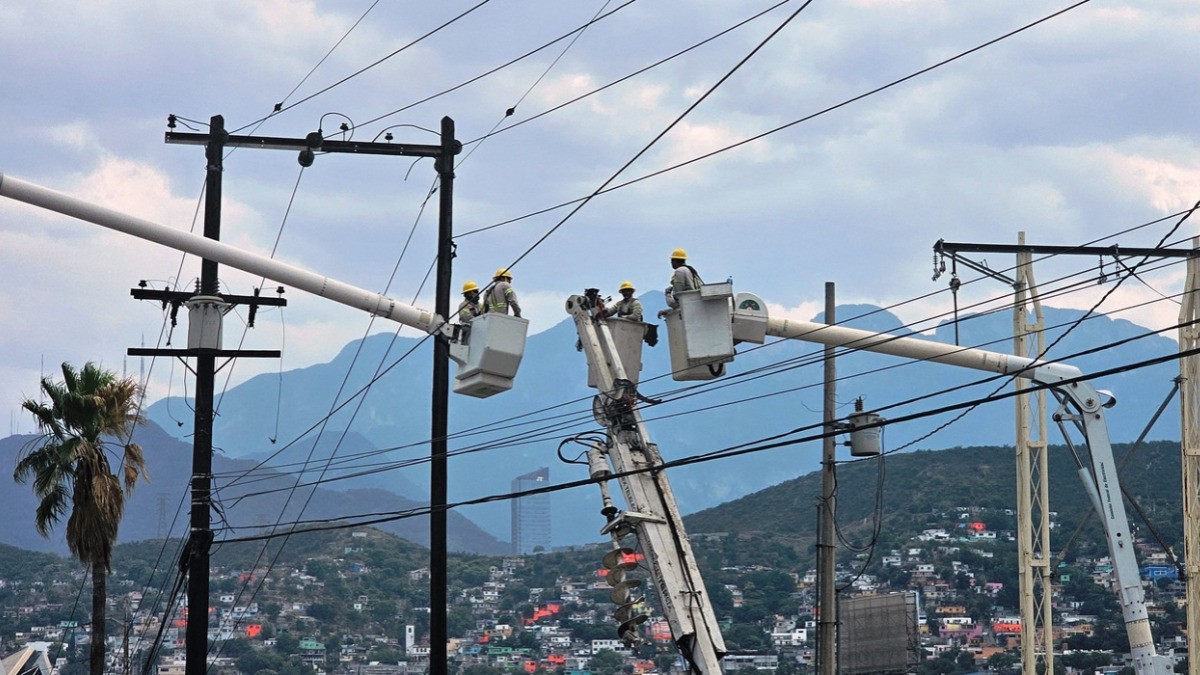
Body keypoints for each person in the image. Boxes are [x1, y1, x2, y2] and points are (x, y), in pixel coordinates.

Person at [662, 247, 702, 312]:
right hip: (694, 303)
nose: (671, 262)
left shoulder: (679, 271)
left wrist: (668, 294)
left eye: (672, 260)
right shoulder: (690, 270)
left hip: (688, 304)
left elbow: (678, 296)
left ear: (676, 260)